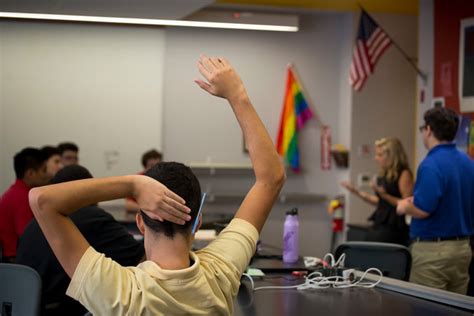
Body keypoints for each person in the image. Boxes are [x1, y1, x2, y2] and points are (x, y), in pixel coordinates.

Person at [28, 55, 286, 315]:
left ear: (140, 223)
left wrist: (132, 185)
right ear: (197, 223)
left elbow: (41, 200)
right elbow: (270, 178)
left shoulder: (119, 291)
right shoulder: (221, 271)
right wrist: (237, 95)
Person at [16, 165, 145, 315]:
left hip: (23, 307)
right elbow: (141, 259)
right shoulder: (93, 217)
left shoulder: (34, 223)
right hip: (65, 309)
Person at [397, 107, 474, 294]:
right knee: (456, 308)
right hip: (462, 249)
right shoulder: (468, 162)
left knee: (427, 308)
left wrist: (404, 206)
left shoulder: (430, 164)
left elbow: (424, 209)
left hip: (433, 253)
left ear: (429, 129)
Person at [341, 137, 413, 245]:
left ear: (391, 156)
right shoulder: (385, 174)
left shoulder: (404, 174)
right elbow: (381, 202)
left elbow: (406, 204)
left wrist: (384, 195)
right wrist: (356, 191)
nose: (376, 158)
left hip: (395, 227)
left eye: (380, 155)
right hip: (381, 223)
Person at [0, 147, 49, 262]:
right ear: (30, 173)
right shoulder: (23, 198)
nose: (47, 175)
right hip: (16, 262)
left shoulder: (13, 193)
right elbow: (29, 236)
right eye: (44, 170)